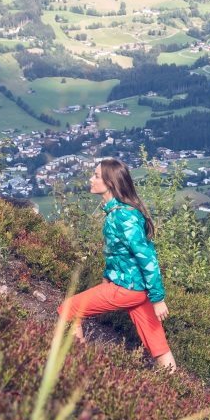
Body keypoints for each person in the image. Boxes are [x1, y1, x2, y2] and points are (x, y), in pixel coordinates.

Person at [57, 158, 177, 371]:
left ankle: (82, 369)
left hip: (127, 289)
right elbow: (119, 253)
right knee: (157, 344)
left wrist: (158, 299)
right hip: (136, 288)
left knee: (69, 309)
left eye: (96, 176)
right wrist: (108, 274)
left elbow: (147, 257)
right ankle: (177, 391)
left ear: (110, 183)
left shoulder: (122, 216)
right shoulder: (119, 212)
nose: (90, 179)